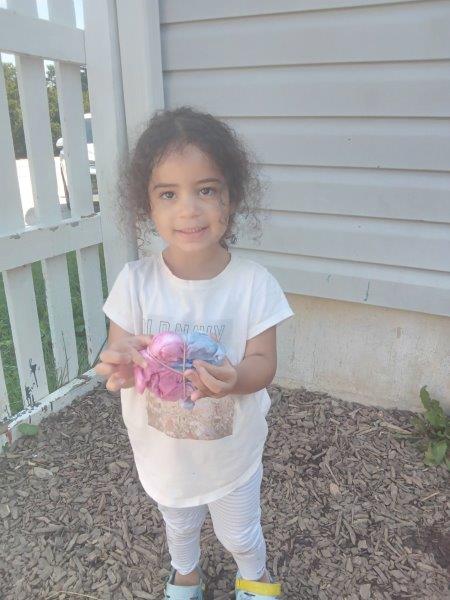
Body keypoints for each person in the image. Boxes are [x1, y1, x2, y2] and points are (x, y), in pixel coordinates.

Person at [95, 107, 294, 599]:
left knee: (239, 532)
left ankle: (254, 576)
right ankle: (186, 574)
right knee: (179, 525)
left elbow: (264, 363)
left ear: (231, 197)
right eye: (169, 194)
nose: (188, 210)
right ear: (146, 205)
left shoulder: (253, 285)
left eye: (205, 190)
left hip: (231, 453)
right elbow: (116, 350)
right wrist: (119, 364)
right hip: (165, 453)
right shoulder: (134, 282)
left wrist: (236, 378)